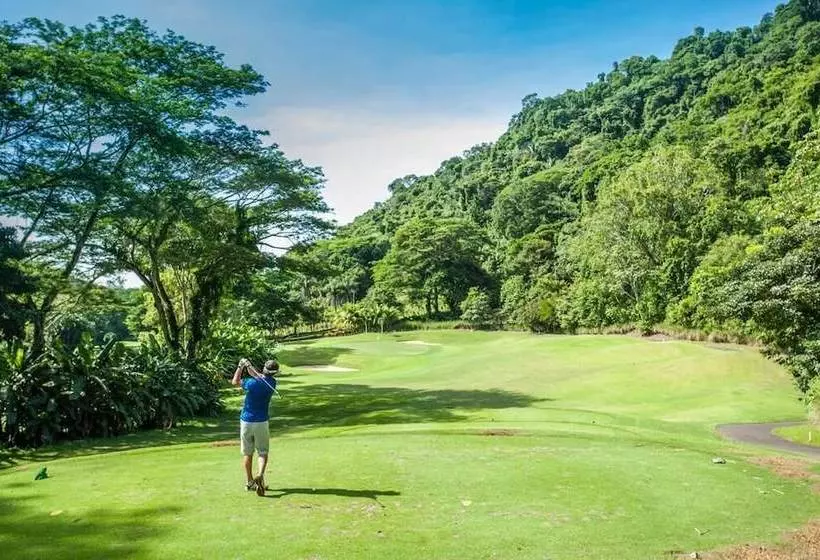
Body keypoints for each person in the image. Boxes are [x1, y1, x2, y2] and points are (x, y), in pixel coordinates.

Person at [231, 357, 278, 496]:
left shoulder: (252, 383)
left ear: (264, 369)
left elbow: (235, 381)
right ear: (275, 372)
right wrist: (248, 365)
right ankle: (261, 475)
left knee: (247, 453)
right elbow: (256, 374)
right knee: (262, 452)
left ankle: (250, 482)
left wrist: (241, 366)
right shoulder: (272, 383)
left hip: (246, 421)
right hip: (262, 422)